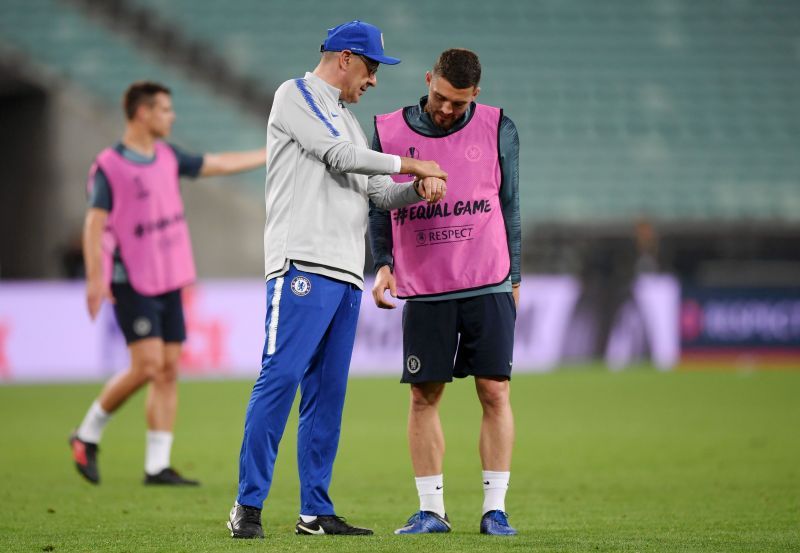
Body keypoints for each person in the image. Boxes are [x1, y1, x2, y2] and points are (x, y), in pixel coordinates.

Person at [227, 20, 447, 539]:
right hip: (300, 262)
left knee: (327, 396)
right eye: (371, 68)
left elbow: (377, 193)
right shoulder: (294, 94)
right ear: (345, 58)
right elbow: (338, 158)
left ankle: (314, 513)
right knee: (279, 379)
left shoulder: (349, 121)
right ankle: (248, 505)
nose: (373, 80)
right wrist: (413, 163)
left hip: (346, 274)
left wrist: (418, 191)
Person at [69, 81, 267, 486]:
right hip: (132, 279)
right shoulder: (110, 165)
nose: (171, 116)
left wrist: (268, 154)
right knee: (147, 365)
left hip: (170, 276)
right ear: (143, 113)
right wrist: (95, 276)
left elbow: (216, 164)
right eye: (164, 110)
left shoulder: (167, 156)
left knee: (169, 369)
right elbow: (94, 222)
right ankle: (86, 434)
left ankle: (157, 465)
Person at [369, 48, 521, 536]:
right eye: (439, 97)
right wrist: (384, 263)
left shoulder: (499, 126)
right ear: (428, 78)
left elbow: (511, 205)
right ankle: (431, 510)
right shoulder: (389, 129)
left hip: (488, 279)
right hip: (427, 285)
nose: (446, 109)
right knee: (423, 395)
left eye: (458, 102)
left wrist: (515, 277)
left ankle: (494, 510)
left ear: (476, 93)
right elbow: (376, 206)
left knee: (494, 391)